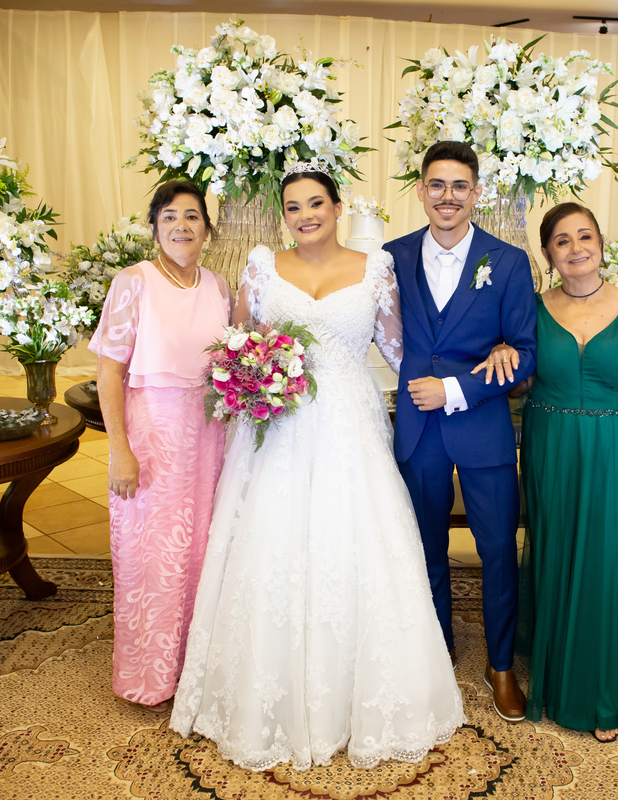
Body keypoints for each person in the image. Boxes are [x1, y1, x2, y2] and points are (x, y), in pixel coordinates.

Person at [169, 165, 467, 771]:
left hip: (349, 423)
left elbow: (400, 350)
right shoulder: (262, 266)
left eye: (315, 204)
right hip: (279, 424)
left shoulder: (376, 268)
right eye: (293, 207)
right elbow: (240, 343)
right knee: (271, 543)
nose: (305, 215)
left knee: (354, 542)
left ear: (337, 208)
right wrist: (253, 375)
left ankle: (365, 698)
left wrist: (465, 371)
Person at [509, 201, 618, 763]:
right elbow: (518, 385)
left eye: (584, 236)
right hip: (552, 449)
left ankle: (603, 695)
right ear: (548, 254)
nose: (575, 248)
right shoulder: (533, 308)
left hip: (615, 453)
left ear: (601, 244)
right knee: (558, 555)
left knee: (607, 563)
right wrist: (505, 357)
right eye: (562, 240)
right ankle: (555, 674)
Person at [382, 141, 538, 723]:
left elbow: (524, 354)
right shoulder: (391, 257)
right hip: (418, 431)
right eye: (437, 184)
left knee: (497, 551)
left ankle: (501, 666)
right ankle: (437, 652)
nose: (447, 196)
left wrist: (456, 388)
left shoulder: (510, 261)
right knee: (425, 550)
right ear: (421, 190)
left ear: (476, 193)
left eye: (459, 186)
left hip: (482, 428)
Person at [89, 180, 232, 706]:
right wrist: (119, 450)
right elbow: (109, 372)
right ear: (154, 228)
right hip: (153, 434)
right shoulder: (134, 282)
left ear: (207, 229)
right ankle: (147, 677)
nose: (181, 226)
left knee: (200, 548)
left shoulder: (219, 287)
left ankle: (192, 670)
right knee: (151, 551)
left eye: (191, 216)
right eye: (169, 216)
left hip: (208, 433)